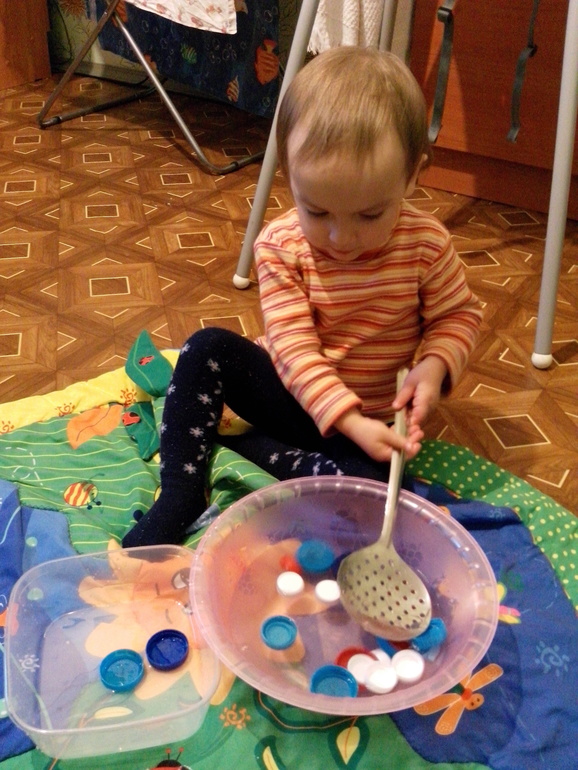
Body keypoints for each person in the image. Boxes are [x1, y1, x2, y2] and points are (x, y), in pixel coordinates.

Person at [122, 47, 483, 548]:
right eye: (317, 211)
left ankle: (255, 449)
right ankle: (182, 494)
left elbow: (458, 315)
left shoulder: (426, 245)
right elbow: (294, 350)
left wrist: (436, 365)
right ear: (288, 173)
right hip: (293, 399)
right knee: (205, 349)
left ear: (412, 175)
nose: (341, 238)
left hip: (373, 423)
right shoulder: (280, 246)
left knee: (377, 499)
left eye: (370, 215)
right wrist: (345, 420)